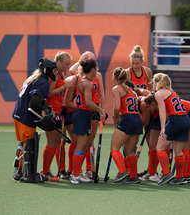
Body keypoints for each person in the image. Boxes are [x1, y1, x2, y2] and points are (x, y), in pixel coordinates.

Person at [12, 58, 58, 183]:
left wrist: (45, 108)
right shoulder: (43, 82)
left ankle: (19, 172)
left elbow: (36, 100)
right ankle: (29, 175)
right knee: (29, 144)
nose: (55, 72)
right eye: (53, 69)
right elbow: (34, 102)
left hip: (17, 114)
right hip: (25, 117)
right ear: (47, 70)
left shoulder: (33, 78)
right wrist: (43, 116)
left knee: (23, 143)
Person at [149, 73, 190, 185]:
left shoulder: (159, 93)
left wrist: (163, 127)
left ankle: (167, 173)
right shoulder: (172, 93)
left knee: (160, 147)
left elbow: (162, 111)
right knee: (178, 151)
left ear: (156, 83)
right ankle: (180, 177)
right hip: (186, 120)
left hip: (176, 120)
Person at [70, 51, 106, 179]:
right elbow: (89, 103)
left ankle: (81, 172)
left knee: (86, 144)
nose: (97, 70)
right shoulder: (86, 82)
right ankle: (75, 174)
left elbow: (98, 97)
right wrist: (101, 111)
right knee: (82, 144)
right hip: (83, 114)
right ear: (92, 69)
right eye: (95, 68)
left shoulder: (86, 80)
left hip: (86, 113)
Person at [42, 51, 73, 180]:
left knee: (56, 142)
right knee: (52, 142)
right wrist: (64, 86)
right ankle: (45, 172)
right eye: (66, 64)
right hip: (52, 111)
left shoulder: (60, 74)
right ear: (58, 62)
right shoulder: (54, 75)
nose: (67, 67)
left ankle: (47, 171)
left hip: (58, 111)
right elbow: (50, 93)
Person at [111, 67, 143, 184]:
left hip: (127, 120)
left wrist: (115, 119)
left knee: (114, 148)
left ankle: (122, 171)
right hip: (137, 120)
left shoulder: (117, 89)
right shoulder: (131, 90)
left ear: (115, 77)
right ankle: (134, 176)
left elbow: (117, 107)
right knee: (129, 150)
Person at [138, 93, 162, 183]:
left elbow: (145, 121)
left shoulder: (143, 102)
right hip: (151, 118)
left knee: (153, 146)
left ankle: (153, 172)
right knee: (150, 146)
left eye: (148, 107)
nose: (147, 109)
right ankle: (151, 171)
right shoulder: (142, 103)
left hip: (157, 119)